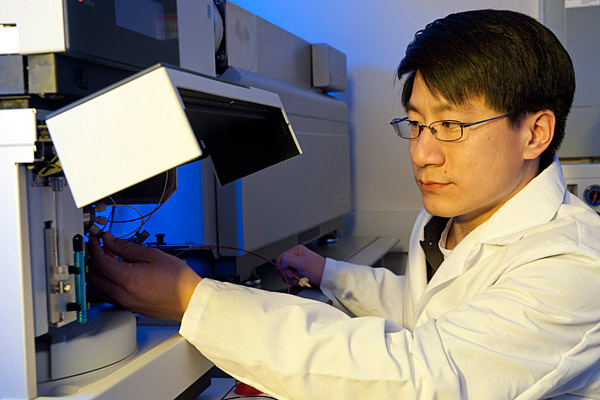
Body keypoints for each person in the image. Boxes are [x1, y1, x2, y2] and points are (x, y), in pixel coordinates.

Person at [88, 9, 600, 399]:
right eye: (416, 124)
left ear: (536, 132)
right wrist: (329, 271)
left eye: (451, 126)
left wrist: (191, 300)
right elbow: (427, 308)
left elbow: (420, 373)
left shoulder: (573, 265)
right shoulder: (457, 214)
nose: (422, 153)